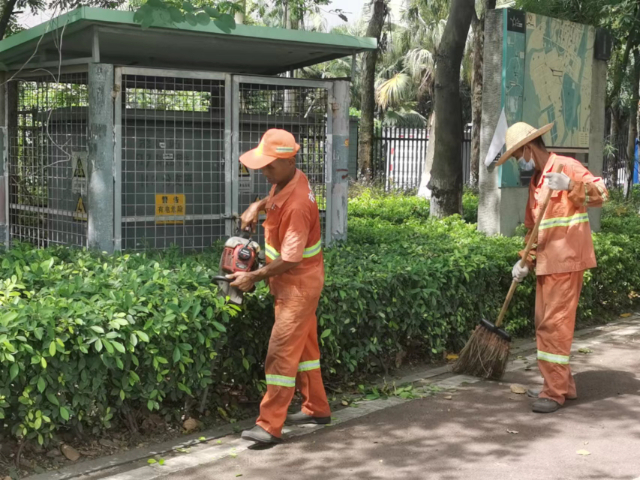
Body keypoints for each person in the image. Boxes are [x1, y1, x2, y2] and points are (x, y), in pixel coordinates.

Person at [495, 122, 608, 414]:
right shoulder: (536, 182)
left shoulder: (566, 167)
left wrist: (570, 185)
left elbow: (601, 193)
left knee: (553, 326)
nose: (519, 162)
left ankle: (554, 392)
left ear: (529, 149)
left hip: (567, 261)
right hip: (547, 263)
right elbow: (533, 230)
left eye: (518, 155)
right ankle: (561, 384)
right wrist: (524, 262)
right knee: (543, 323)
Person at [228, 129, 331, 444]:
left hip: (297, 287)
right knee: (306, 350)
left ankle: (269, 425)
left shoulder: (298, 204)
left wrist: (252, 276)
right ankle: (316, 408)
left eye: (270, 165)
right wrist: (256, 207)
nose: (263, 170)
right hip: (295, 284)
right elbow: (274, 199)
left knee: (281, 353)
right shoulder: (287, 180)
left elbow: (290, 258)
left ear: (290, 160)